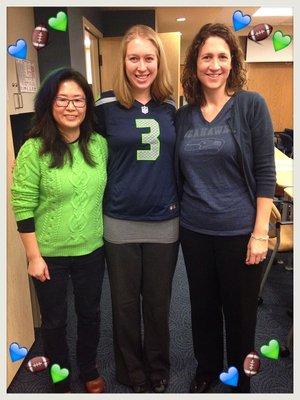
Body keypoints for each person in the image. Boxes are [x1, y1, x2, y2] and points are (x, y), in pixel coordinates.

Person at [175, 23, 276, 393]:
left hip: (240, 231)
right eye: (206, 57)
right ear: (195, 64)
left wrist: (259, 233)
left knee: (240, 313)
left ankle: (238, 375)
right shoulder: (184, 115)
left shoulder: (251, 106)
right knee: (202, 307)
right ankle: (207, 368)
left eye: (222, 56)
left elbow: (265, 173)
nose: (214, 64)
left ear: (232, 62)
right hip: (195, 230)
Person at [11, 68, 108, 394]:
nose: (71, 106)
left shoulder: (99, 145)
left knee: (90, 315)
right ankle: (60, 374)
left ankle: (89, 367)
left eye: (78, 100)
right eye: (62, 99)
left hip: (92, 249)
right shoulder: (34, 149)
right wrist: (33, 256)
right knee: (54, 322)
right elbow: (22, 204)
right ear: (49, 104)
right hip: (49, 253)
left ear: (87, 105)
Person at [94, 25, 179, 393]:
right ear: (123, 61)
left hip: (165, 220)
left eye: (149, 58)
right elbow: (75, 142)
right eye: (134, 58)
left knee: (158, 304)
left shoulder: (171, 107)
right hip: (120, 221)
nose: (141, 66)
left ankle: (158, 367)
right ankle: (131, 371)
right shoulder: (104, 106)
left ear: (159, 61)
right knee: (125, 305)